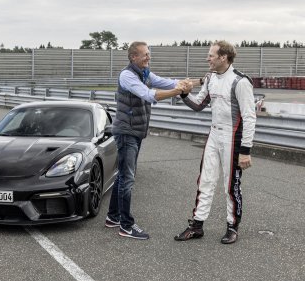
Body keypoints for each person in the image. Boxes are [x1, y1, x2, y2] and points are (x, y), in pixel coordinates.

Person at [105, 41, 191, 240]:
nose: (148, 57)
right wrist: (178, 91)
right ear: (133, 57)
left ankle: (113, 217)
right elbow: (149, 95)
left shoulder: (145, 74)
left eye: (148, 54)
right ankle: (126, 226)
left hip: (135, 132)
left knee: (122, 176)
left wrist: (190, 82)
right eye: (145, 54)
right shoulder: (127, 75)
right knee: (127, 178)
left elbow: (165, 82)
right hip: (126, 132)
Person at [174, 40, 256, 244]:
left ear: (223, 57)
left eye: (211, 55)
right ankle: (197, 225)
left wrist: (245, 150)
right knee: (205, 181)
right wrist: (184, 94)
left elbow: (250, 117)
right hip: (213, 135)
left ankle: (232, 226)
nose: (207, 58)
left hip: (233, 138)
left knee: (231, 185)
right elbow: (199, 104)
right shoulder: (210, 78)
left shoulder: (241, 81)